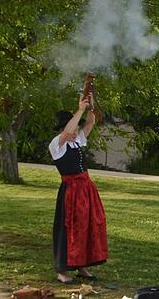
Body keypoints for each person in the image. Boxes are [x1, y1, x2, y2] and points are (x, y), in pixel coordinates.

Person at [50, 95, 107, 284]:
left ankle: (82, 266)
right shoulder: (57, 144)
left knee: (86, 227)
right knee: (68, 229)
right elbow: (67, 132)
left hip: (85, 190)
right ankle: (62, 270)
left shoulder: (77, 141)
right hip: (70, 192)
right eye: (73, 126)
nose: (76, 130)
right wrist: (80, 109)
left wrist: (90, 105)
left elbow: (90, 123)